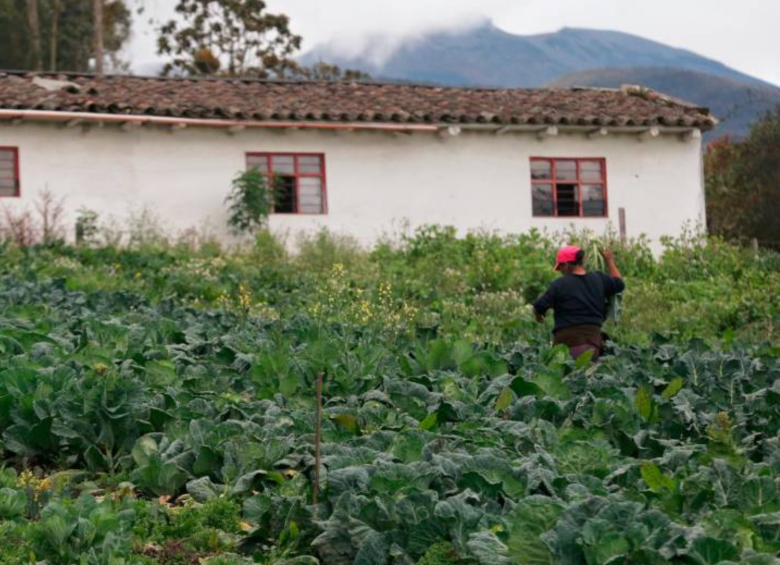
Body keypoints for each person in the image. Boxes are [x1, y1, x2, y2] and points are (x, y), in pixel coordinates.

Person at [532, 245, 624, 362]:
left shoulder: (559, 285)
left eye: (560, 267)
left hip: (565, 347)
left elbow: (538, 307)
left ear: (566, 265)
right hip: (593, 344)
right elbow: (619, 283)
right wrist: (609, 260)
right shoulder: (599, 279)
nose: (560, 271)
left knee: (565, 377)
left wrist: (539, 317)